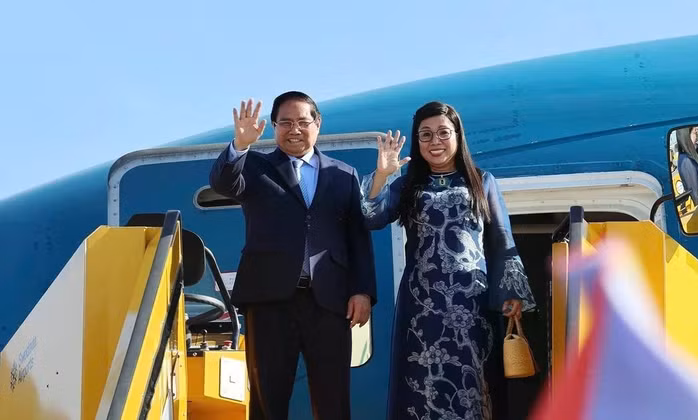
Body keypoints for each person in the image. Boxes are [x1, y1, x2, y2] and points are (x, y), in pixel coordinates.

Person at [360, 101, 536, 420]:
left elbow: (501, 237)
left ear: (458, 136)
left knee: (475, 381)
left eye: (443, 132)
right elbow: (371, 218)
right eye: (425, 135)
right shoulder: (405, 185)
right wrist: (382, 176)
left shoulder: (482, 181)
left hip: (474, 306)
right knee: (423, 384)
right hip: (423, 306)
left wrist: (511, 291)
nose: (435, 141)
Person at [209, 92, 377, 420]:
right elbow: (222, 182)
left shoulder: (345, 174)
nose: (294, 129)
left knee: (333, 400)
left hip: (329, 301)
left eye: (303, 121)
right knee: (267, 399)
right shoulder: (255, 167)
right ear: (273, 127)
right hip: (269, 300)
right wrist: (240, 145)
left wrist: (363, 290)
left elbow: (358, 237)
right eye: (285, 122)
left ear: (318, 124)